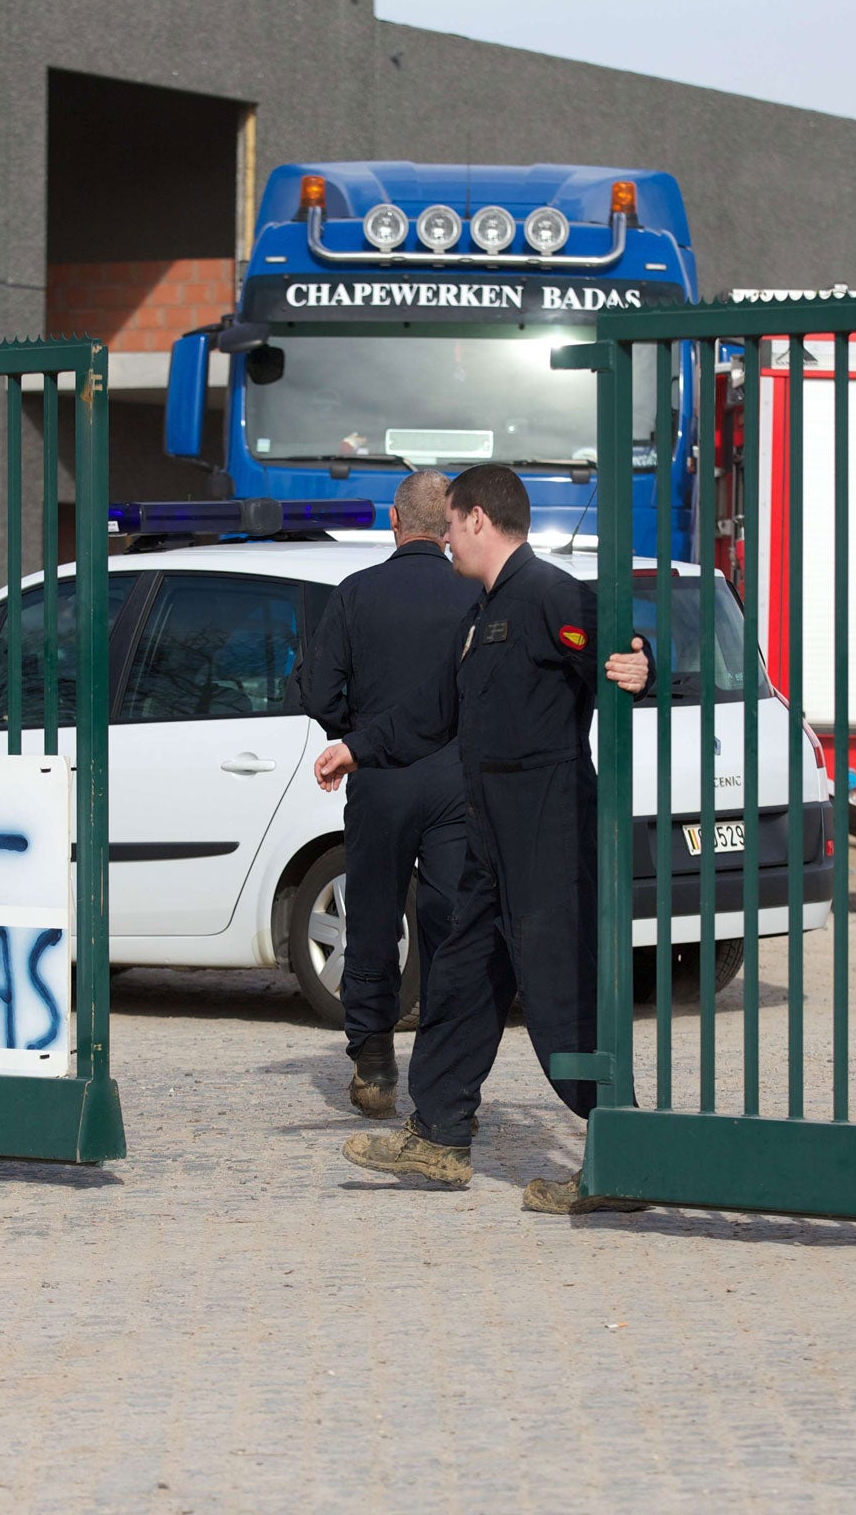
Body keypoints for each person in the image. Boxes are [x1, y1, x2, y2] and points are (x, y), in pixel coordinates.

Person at [312, 463, 654, 1216]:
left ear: (473, 519)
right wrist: (359, 747)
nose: (444, 539)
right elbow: (435, 711)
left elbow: (614, 640)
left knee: (561, 995)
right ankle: (438, 1135)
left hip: (547, 827)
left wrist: (639, 662)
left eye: (452, 523)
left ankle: (626, 1155)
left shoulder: (543, 592)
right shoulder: (484, 608)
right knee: (462, 980)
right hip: (489, 831)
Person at [298, 469, 479, 1117]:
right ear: (452, 523)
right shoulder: (475, 596)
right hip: (456, 779)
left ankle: (373, 1063)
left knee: (373, 917)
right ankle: (450, 1073)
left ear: (395, 523)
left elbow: (319, 691)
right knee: (451, 923)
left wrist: (355, 738)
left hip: (379, 781)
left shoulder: (355, 594)